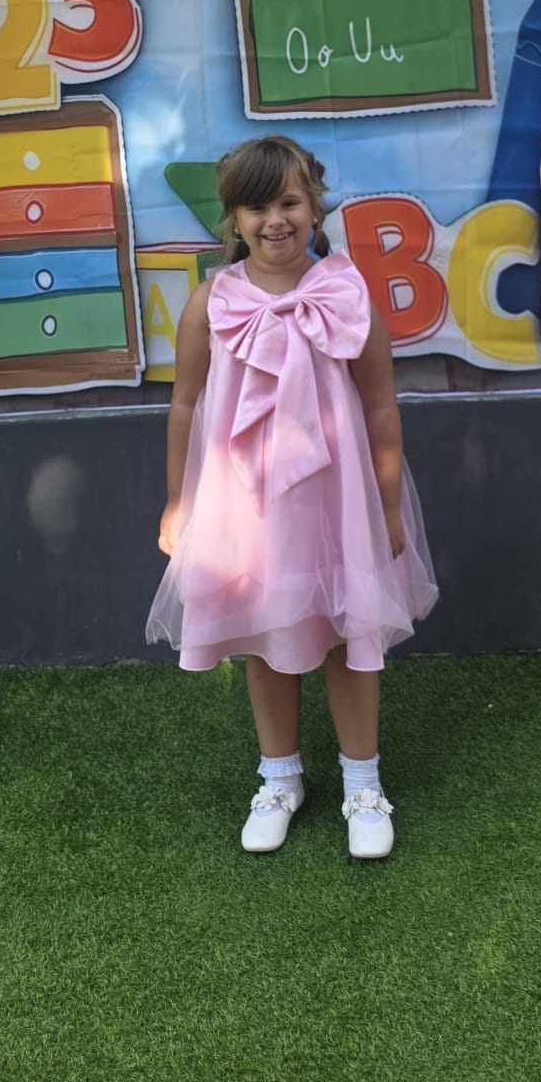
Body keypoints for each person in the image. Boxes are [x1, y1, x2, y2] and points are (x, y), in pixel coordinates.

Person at [146, 135, 437, 859]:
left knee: (348, 634)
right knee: (264, 636)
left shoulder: (345, 293)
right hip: (248, 506)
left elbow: (380, 406)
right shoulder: (212, 302)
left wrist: (388, 505)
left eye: (288, 203)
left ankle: (362, 785)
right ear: (234, 219)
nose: (274, 220)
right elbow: (185, 404)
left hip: (337, 502)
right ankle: (279, 778)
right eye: (256, 207)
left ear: (314, 207)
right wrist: (179, 500)